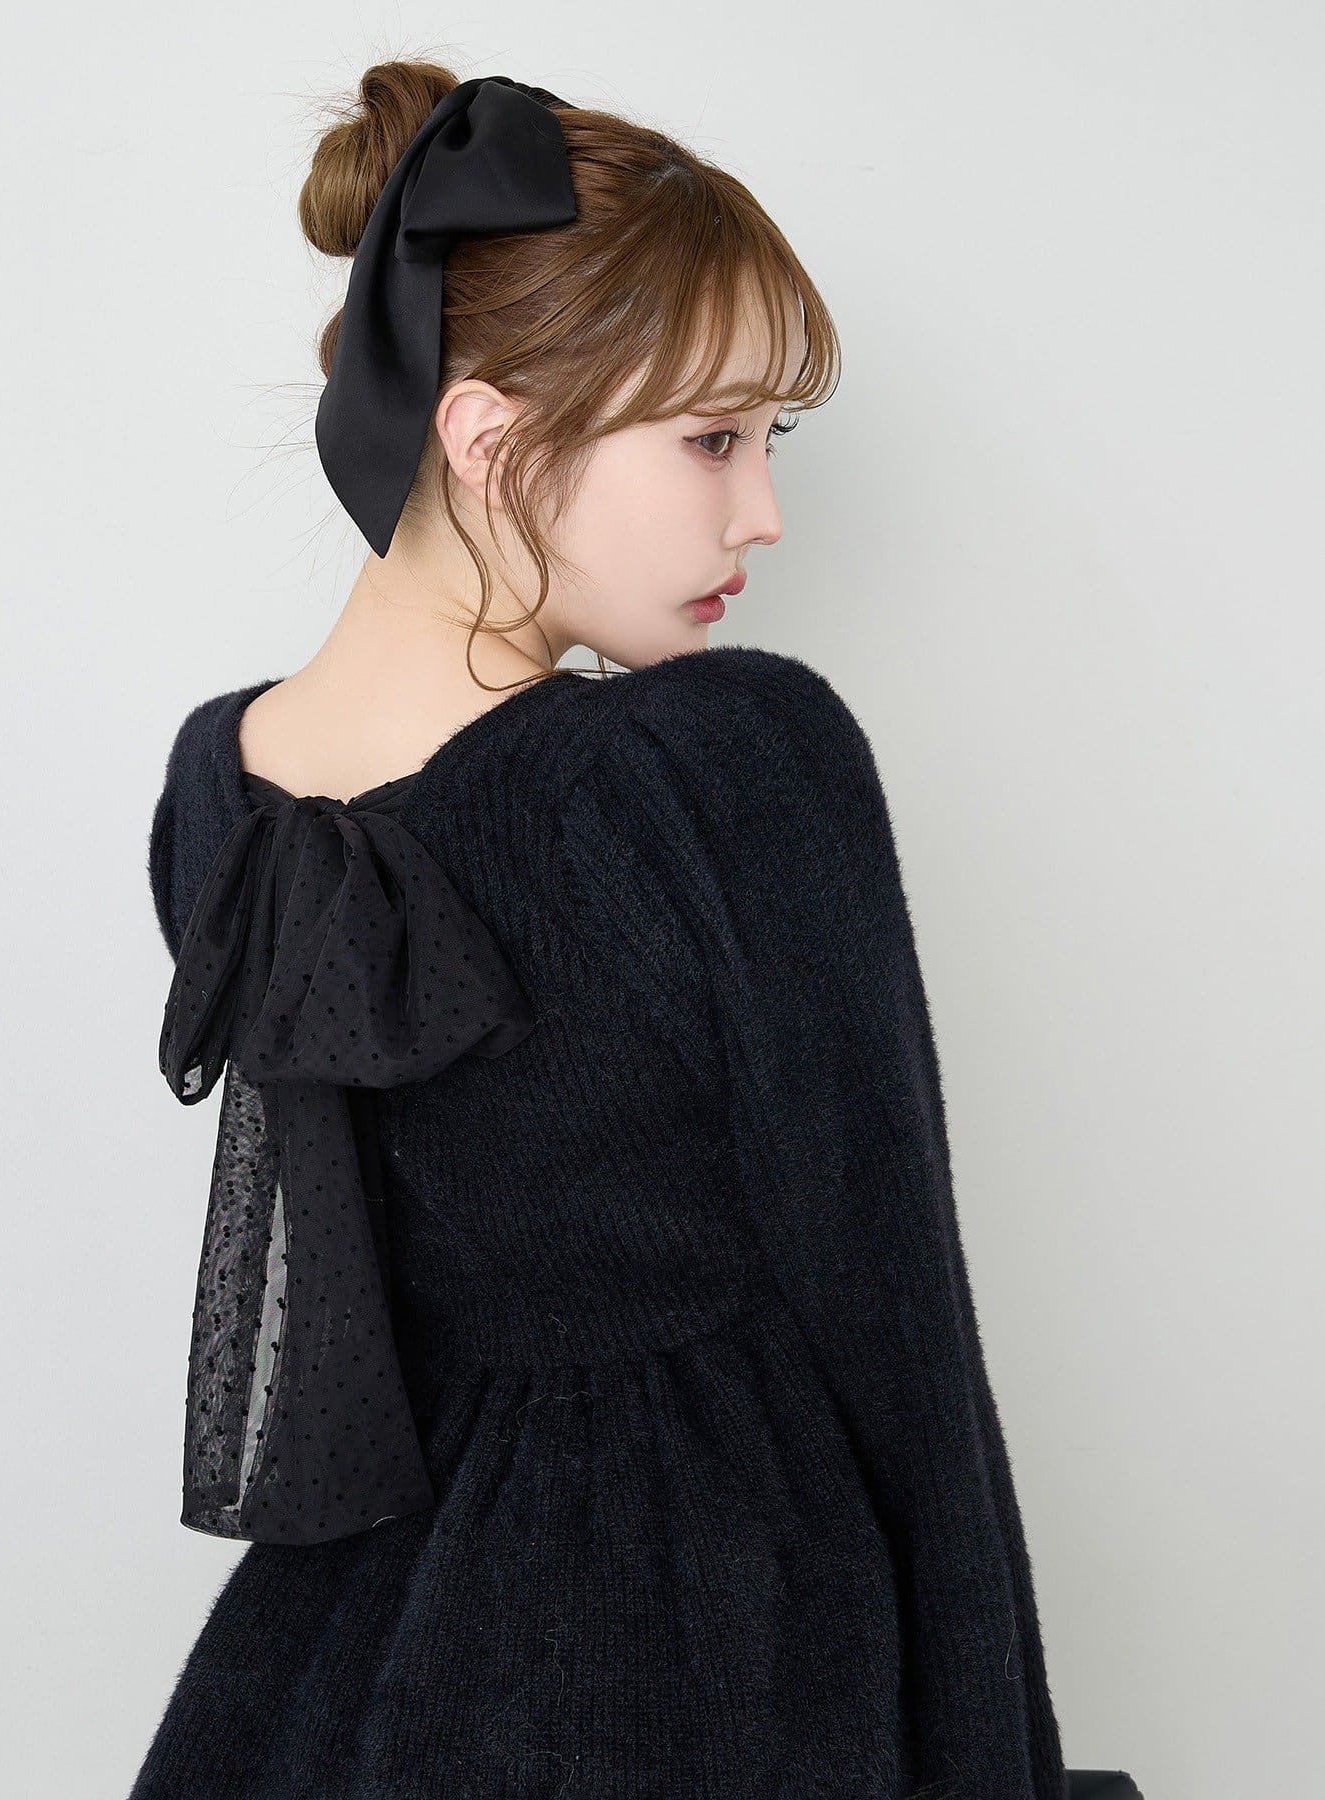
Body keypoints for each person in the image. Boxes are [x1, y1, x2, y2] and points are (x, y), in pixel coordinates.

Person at [131, 61, 1068, 1799]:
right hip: (731, 1642)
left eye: (771, 442)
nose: (762, 512)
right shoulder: (717, 767)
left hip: (364, 1643)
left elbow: (332, 1333)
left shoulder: (219, 798)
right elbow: (901, 1340)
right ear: (488, 438)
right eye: (713, 439)